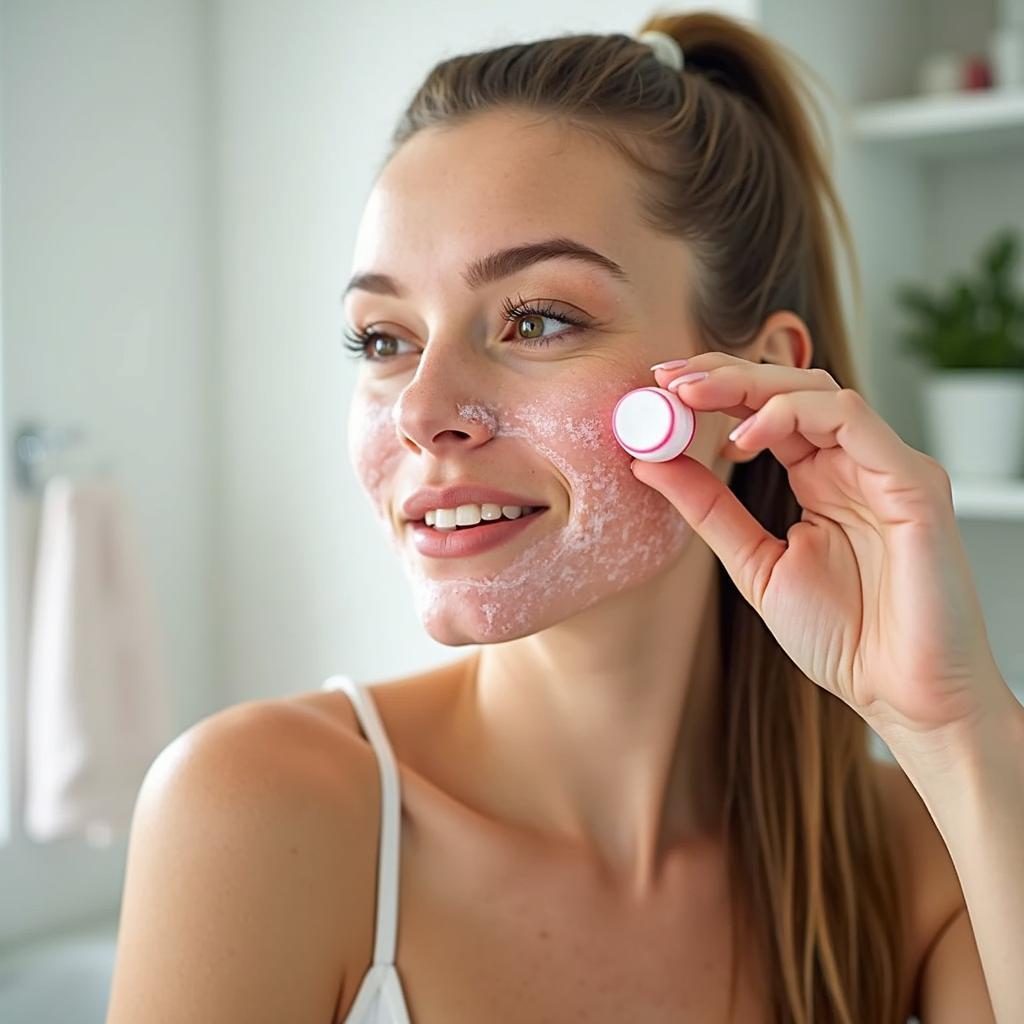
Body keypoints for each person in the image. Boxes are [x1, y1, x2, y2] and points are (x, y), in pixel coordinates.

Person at [106, 11, 1023, 1024]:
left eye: (536, 319)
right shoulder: (260, 814)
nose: (420, 409)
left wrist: (954, 722)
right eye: (380, 338)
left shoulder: (929, 863)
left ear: (750, 389)